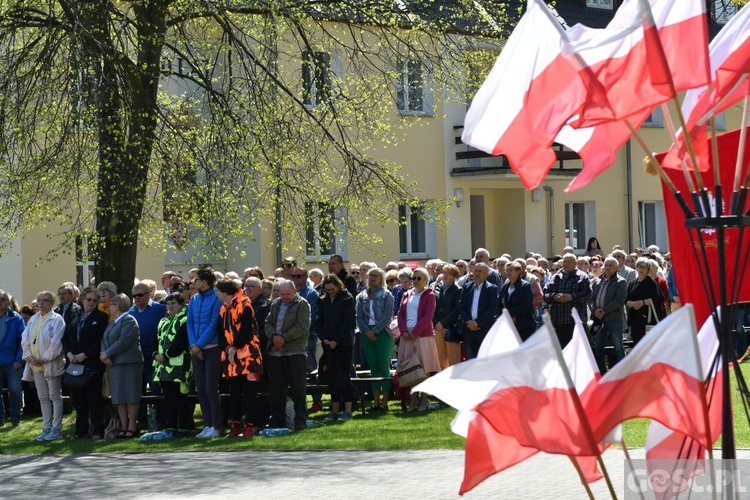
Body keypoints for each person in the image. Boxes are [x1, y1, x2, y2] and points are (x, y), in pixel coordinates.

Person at [216, 279, 263, 438]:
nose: (216, 294)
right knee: (234, 392)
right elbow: (220, 332)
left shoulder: (245, 305)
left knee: (249, 392)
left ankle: (250, 425)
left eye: (218, 290)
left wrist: (235, 347)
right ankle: (235, 425)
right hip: (232, 359)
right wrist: (227, 348)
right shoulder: (223, 308)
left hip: (248, 356)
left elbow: (246, 331)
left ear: (225, 291)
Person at [264, 279, 311, 430]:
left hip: (295, 351)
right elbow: (268, 323)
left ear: (294, 291)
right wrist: (273, 337)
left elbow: (302, 326)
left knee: (298, 388)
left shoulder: (302, 304)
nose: (285, 297)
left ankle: (300, 420)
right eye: (282, 293)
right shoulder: (276, 303)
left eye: (288, 294)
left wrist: (283, 338)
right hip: (276, 353)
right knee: (277, 389)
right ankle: (277, 420)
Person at [62, 288, 108, 439]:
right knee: (79, 400)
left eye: (95, 301)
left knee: (94, 399)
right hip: (74, 363)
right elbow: (65, 338)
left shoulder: (101, 317)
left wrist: (84, 355)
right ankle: (80, 431)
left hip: (92, 363)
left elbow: (100, 341)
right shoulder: (74, 316)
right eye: (89, 299)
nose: (91, 303)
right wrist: (69, 354)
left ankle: (97, 430)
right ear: (82, 300)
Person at [22, 291, 66, 441]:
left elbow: (56, 342)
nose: (41, 303)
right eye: (39, 300)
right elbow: (25, 338)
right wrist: (29, 355)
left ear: (51, 303)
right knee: (43, 397)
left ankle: (57, 428)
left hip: (51, 364)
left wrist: (45, 358)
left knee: (55, 396)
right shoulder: (34, 319)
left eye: (45, 300)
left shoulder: (57, 320)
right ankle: (46, 427)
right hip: (35, 365)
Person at [100, 293, 143, 438]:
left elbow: (124, 341)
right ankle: (123, 426)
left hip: (129, 363)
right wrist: (104, 354)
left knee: (130, 395)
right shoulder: (113, 322)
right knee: (119, 396)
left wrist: (108, 354)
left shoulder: (129, 320)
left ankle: (132, 426)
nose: (110, 307)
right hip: (114, 364)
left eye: (111, 304)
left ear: (117, 306)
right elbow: (104, 339)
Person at [151, 292, 193, 439]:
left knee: (180, 397)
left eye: (173, 304)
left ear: (181, 305)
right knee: (168, 398)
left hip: (179, 365)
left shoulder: (185, 319)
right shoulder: (163, 321)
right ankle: (171, 426)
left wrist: (166, 355)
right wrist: (155, 354)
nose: (170, 307)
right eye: (168, 304)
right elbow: (155, 339)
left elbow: (181, 342)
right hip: (163, 367)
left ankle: (183, 427)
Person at [397, 267, 439, 412]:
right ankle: (413, 397)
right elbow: (400, 315)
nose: (414, 281)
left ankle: (424, 398)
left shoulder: (429, 295)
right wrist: (403, 331)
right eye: (413, 278)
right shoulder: (406, 294)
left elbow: (428, 316)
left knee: (424, 368)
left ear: (426, 281)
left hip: (422, 335)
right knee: (410, 367)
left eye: (418, 278)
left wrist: (415, 332)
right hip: (407, 336)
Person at [187, 268, 223, 439]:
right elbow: (190, 323)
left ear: (205, 281)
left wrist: (199, 345)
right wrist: (194, 345)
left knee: (211, 388)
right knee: (200, 389)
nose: (194, 282)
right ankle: (207, 424)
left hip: (212, 348)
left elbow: (214, 323)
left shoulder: (216, 297)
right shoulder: (194, 299)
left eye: (197, 279)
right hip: (197, 350)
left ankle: (216, 425)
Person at [318, 274, 356, 420]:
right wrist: (324, 338)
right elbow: (319, 321)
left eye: (332, 289)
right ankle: (334, 410)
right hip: (328, 343)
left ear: (338, 285)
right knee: (332, 377)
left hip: (344, 344)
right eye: (327, 290)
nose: (330, 292)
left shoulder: (347, 299)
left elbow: (348, 323)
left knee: (343, 376)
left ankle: (348, 410)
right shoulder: (323, 300)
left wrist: (337, 341)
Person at [356, 268, 395, 411]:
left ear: (381, 279)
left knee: (383, 367)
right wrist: (367, 332)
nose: (373, 278)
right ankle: (376, 402)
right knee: (373, 368)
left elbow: (387, 316)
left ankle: (385, 402)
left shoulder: (387, 295)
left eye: (376, 276)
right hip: (366, 334)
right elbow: (359, 317)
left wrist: (375, 331)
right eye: (371, 275)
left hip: (383, 333)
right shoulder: (361, 296)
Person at [130, 281, 167, 430]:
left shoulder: (160, 309)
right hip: (137, 358)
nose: (137, 298)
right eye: (134, 296)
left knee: (156, 389)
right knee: (138, 391)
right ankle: (142, 421)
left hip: (155, 358)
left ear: (149, 294)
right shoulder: (130, 312)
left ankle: (160, 421)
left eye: (140, 295)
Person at [542, 253, 592, 348]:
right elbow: (545, 294)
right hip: (559, 321)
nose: (566, 264)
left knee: (577, 351)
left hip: (576, 322)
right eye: (565, 261)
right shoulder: (555, 277)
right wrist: (554, 296)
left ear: (575, 263)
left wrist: (572, 297)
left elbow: (588, 294)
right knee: (562, 351)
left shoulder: (582, 277)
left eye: (569, 262)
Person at [589, 257, 628, 373]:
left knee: (618, 347)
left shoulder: (621, 282)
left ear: (616, 268)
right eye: (606, 265)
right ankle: (602, 373)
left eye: (611, 265)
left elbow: (619, 301)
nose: (607, 267)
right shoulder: (596, 282)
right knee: (598, 348)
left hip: (613, 319)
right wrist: (595, 310)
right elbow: (591, 300)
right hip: (598, 320)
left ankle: (621, 373)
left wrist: (604, 311)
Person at [459, 263, 498, 359]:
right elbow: (461, 307)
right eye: (475, 270)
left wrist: (476, 323)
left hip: (484, 329)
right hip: (469, 330)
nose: (477, 273)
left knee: (485, 359)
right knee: (471, 360)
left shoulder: (492, 288)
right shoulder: (467, 287)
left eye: (480, 271)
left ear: (487, 274)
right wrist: (469, 322)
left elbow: (492, 309)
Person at [0, 290, 26, 428]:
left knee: (15, 389)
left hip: (12, 362)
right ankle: (0, 420)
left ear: (9, 302)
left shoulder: (16, 318)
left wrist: (19, 360)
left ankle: (16, 419)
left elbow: (23, 341)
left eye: (3, 299)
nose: (0, 301)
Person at [626, 258, 664, 346]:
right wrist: (634, 304)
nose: (641, 269)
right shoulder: (632, 283)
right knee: (636, 345)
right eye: (639, 266)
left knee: (648, 346)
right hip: (634, 319)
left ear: (648, 269)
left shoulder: (651, 283)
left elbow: (658, 298)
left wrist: (642, 302)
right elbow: (626, 300)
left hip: (647, 320)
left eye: (644, 267)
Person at [498, 261, 536, 341]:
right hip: (509, 324)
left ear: (518, 271)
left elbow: (527, 305)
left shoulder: (525, 286)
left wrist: (510, 313)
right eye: (507, 270)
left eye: (511, 270)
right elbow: (499, 303)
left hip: (524, 326)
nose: (508, 272)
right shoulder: (505, 286)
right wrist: (506, 315)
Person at [433, 264, 462, 368]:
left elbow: (456, 310)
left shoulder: (458, 290)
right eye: (444, 273)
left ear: (454, 277)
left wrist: (443, 323)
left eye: (449, 274)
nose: (445, 275)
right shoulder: (437, 288)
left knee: (453, 362)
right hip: (437, 328)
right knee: (441, 362)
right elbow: (433, 308)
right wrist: (436, 323)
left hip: (451, 328)